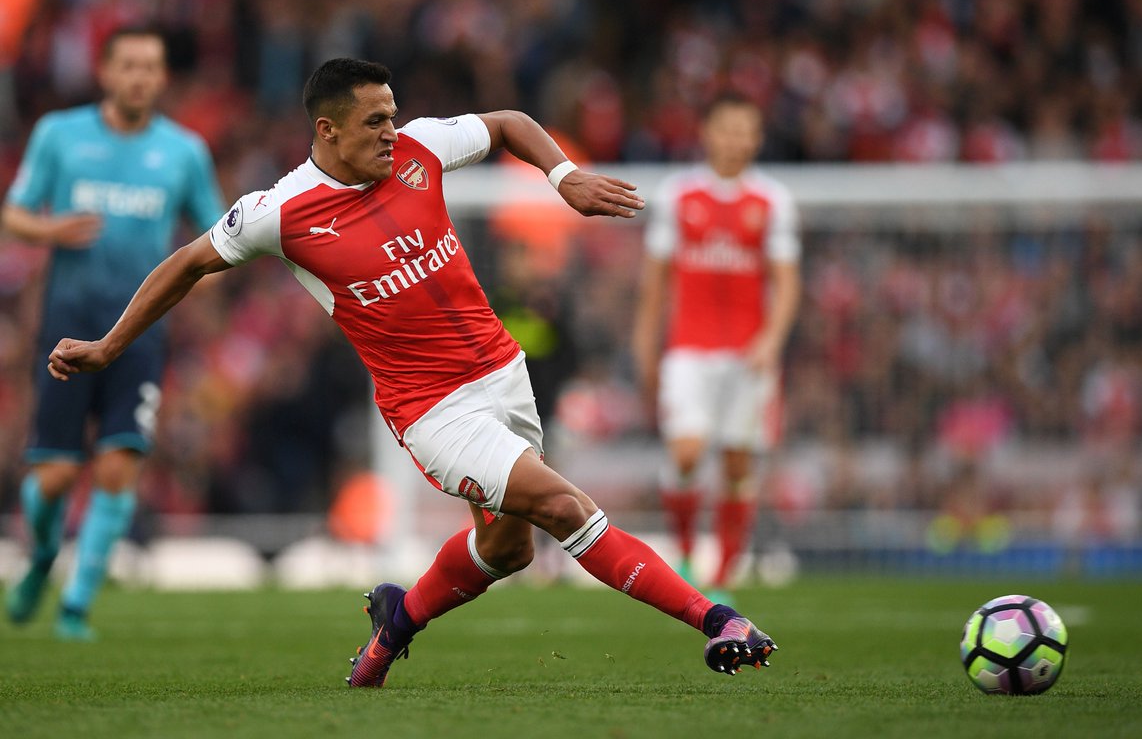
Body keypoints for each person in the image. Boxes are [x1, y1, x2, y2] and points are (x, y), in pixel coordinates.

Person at [44, 58, 778, 682]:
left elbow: (508, 122)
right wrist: (108, 346)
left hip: (503, 374)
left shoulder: (420, 148)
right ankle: (717, 618)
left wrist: (562, 176)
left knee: (508, 548)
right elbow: (187, 263)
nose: (390, 132)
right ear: (327, 130)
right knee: (562, 507)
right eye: (373, 122)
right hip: (433, 411)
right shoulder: (280, 212)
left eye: (392, 116)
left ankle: (397, 619)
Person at [3, 26, 226, 640]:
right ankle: (43, 556)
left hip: (139, 334)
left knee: (118, 468)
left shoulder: (184, 151)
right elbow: (13, 212)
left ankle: (76, 605)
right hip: (67, 328)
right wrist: (50, 231)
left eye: (150, 66)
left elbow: (218, 235)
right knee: (52, 477)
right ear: (104, 72)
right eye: (128, 65)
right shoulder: (59, 135)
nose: (139, 77)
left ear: (163, 77)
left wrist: (199, 291)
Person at [631, 93, 801, 599]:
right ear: (707, 132)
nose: (735, 140)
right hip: (689, 347)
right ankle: (686, 558)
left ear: (757, 138)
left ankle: (724, 576)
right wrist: (645, 345)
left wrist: (771, 340)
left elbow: (787, 282)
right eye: (727, 128)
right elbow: (655, 283)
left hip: (749, 353)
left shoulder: (772, 200)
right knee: (686, 453)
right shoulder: (678, 195)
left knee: (737, 463)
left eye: (745, 130)